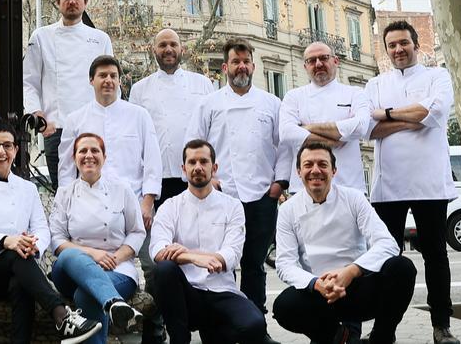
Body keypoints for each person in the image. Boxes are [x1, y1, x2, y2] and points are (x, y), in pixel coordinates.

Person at [0, 119, 103, 344]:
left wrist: (33, 244)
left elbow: (41, 229)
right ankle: (62, 314)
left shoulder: (28, 188)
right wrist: (9, 241)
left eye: (7, 145)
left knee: (21, 284)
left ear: (16, 149)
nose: (1, 152)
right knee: (17, 256)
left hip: (18, 269)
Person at [185, 38, 287, 344]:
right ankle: (221, 329)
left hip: (261, 196)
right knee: (219, 264)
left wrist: (279, 182)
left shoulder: (272, 103)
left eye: (246, 61)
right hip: (222, 196)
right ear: (226, 66)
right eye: (236, 61)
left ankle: (257, 327)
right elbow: (194, 143)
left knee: (254, 264)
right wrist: (210, 181)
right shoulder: (210, 104)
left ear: (253, 66)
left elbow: (284, 146)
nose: (241, 66)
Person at [367, 20, 459, 344]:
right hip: (387, 184)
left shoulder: (438, 77)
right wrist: (412, 117)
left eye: (404, 43)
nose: (398, 49)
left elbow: (433, 113)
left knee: (436, 255)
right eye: (392, 45)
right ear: (386, 49)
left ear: (416, 45)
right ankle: (384, 329)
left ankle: (441, 326)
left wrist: (387, 114)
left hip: (430, 182)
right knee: (387, 258)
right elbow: (368, 129)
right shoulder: (375, 84)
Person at [273, 143, 417, 344]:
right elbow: (285, 263)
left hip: (357, 287)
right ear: (299, 171)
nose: (316, 170)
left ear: (334, 170)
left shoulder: (354, 198)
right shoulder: (288, 209)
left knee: (402, 267)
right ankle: (341, 337)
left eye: (322, 164)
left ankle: (381, 337)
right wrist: (316, 283)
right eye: (308, 165)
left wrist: (351, 271)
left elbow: (387, 243)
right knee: (283, 306)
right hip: (320, 293)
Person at [149, 139, 265, 344]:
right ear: (183, 169)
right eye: (192, 163)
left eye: (204, 161)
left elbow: (231, 253)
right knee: (164, 270)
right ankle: (179, 338)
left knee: (254, 326)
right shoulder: (170, 206)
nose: (198, 167)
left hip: (222, 291)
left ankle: (215, 332)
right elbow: (157, 250)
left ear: (215, 167)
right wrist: (194, 258)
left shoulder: (233, 206)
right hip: (186, 297)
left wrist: (186, 254)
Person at [50, 132, 145, 343]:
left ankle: (112, 304)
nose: (89, 155)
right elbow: (56, 239)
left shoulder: (122, 190)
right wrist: (94, 255)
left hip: (117, 268)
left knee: (85, 295)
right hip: (70, 272)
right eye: (82, 151)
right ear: (74, 157)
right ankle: (113, 302)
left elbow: (137, 231)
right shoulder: (65, 193)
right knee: (68, 256)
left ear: (104, 156)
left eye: (95, 150)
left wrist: (116, 258)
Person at [24, 0, 112, 186]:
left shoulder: (100, 38)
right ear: (57, 2)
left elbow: (110, 85)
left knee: (97, 189)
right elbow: (29, 81)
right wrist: (38, 116)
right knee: (63, 193)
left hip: (94, 127)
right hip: (56, 128)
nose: (72, 1)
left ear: (85, 2)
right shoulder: (41, 37)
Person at [57, 55, 160, 230]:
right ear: (91, 80)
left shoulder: (139, 115)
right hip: (89, 206)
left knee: (152, 256)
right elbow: (66, 168)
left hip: (135, 204)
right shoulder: (75, 119)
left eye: (113, 76)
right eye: (102, 75)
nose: (108, 81)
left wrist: (148, 203)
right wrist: (67, 205)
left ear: (120, 81)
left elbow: (153, 161)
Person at [129, 29, 215, 205]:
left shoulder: (203, 84)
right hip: (158, 179)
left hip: (196, 175)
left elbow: (213, 132)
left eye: (173, 44)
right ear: (154, 50)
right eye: (162, 45)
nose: (168, 49)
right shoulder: (139, 89)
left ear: (182, 49)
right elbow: (135, 139)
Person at [279, 42, 372, 192]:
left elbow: (360, 126)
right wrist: (332, 140)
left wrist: (308, 128)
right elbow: (286, 133)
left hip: (348, 185)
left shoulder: (355, 93)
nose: (318, 64)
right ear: (305, 67)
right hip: (304, 189)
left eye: (323, 58)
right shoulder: (293, 96)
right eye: (311, 60)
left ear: (335, 61)